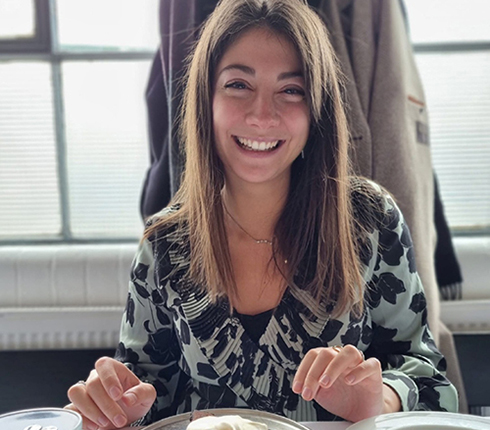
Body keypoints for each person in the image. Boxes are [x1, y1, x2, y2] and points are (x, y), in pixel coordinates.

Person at [66, 0, 458, 428]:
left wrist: (379, 400)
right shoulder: (165, 243)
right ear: (206, 101)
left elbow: (434, 385)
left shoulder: (370, 219)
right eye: (238, 85)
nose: (261, 115)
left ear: (317, 111)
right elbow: (144, 391)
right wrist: (112, 408)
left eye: (291, 90)